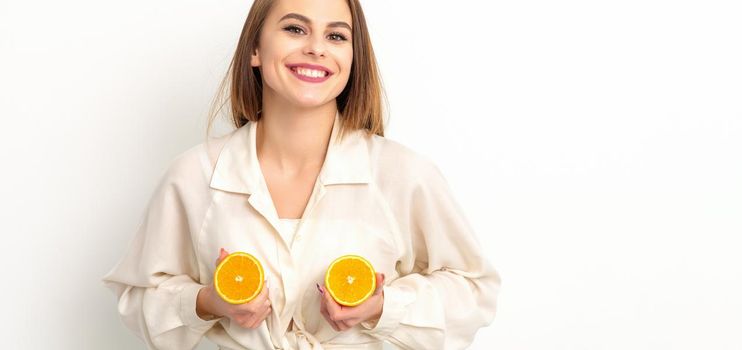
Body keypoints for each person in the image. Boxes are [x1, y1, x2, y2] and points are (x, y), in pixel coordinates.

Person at [101, 0, 500, 349]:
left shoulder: (403, 174)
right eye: (295, 29)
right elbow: (138, 299)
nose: (315, 48)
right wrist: (208, 302)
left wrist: (384, 307)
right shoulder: (193, 175)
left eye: (337, 36)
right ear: (255, 49)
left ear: (353, 58)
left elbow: (475, 290)